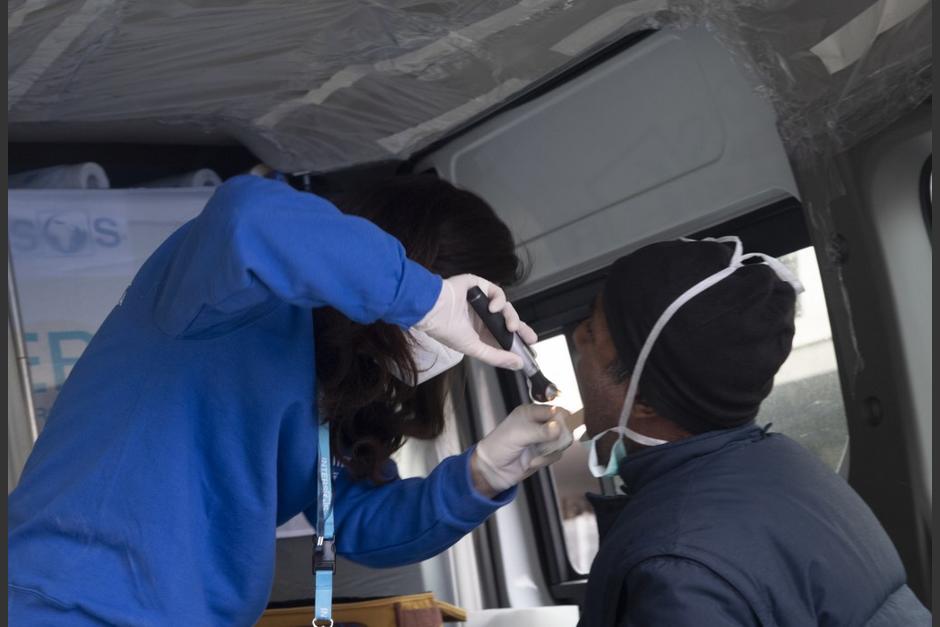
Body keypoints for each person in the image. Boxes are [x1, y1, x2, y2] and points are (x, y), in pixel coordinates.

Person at [8, 173, 571, 625]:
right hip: (70, 605)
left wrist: (481, 475)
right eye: (463, 317)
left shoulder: (333, 384)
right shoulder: (226, 299)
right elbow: (248, 214)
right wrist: (418, 298)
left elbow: (356, 522)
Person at [573, 237, 930, 626]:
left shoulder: (676, 568)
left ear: (644, 399)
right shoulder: (786, 465)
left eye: (591, 331)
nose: (576, 336)